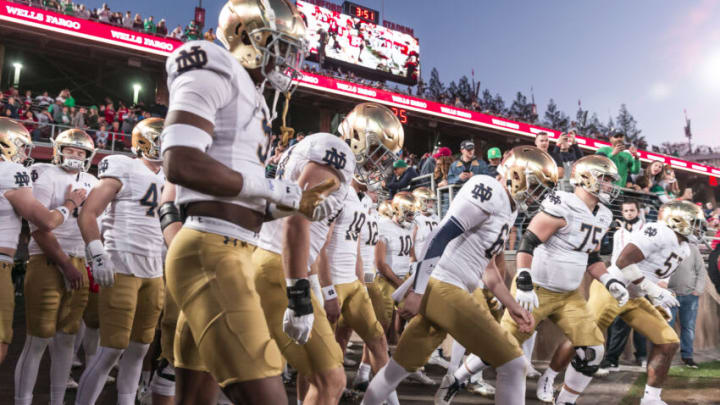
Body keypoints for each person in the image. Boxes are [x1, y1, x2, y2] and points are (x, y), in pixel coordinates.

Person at [160, 1, 331, 403]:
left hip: (232, 249)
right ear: (246, 35)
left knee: (194, 398)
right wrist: (270, 189)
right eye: (280, 45)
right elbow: (180, 161)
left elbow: (241, 194)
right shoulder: (211, 62)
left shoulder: (251, 91)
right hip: (210, 251)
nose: (287, 58)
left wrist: (289, 205)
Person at [363, 146, 557, 405]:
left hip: (449, 287)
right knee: (513, 364)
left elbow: (488, 271)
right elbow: (440, 235)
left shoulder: (509, 208)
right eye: (536, 187)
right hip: (444, 285)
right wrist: (417, 291)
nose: (536, 196)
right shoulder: (488, 188)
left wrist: (512, 307)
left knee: (396, 369)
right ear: (518, 176)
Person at [254, 103, 402, 404]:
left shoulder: (328, 156)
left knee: (310, 370)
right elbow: (297, 216)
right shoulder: (335, 153)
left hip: (281, 263)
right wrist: (300, 292)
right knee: (331, 378)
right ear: (359, 137)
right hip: (279, 266)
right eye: (376, 153)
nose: (376, 164)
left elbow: (286, 212)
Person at [492, 155, 628, 405]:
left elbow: (592, 256)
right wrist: (523, 279)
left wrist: (609, 280)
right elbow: (529, 241)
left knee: (592, 351)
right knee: (503, 350)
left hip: (568, 294)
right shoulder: (563, 202)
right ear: (586, 178)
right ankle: (458, 378)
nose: (610, 185)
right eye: (605, 179)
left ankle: (565, 401)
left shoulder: (605, 215)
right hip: (537, 287)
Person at [543, 201, 702, 405]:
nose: (699, 228)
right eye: (694, 222)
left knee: (668, 342)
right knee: (582, 342)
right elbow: (623, 261)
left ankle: (651, 399)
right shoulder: (659, 231)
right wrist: (654, 291)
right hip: (612, 290)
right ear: (677, 220)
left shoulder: (685, 248)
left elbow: (651, 274)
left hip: (635, 297)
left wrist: (656, 299)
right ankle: (554, 383)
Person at [74, 119, 166, 405]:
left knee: (140, 349)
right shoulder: (124, 166)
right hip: (122, 265)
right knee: (111, 349)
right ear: (147, 141)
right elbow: (88, 213)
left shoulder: (171, 178)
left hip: (154, 270)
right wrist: (98, 254)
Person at [14, 129, 97, 405]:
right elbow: (39, 228)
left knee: (67, 341)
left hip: (80, 260)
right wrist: (66, 264)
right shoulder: (44, 173)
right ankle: (22, 400)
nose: (75, 156)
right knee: (37, 340)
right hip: (48, 260)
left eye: (81, 152)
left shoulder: (91, 181)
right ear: (58, 150)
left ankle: (57, 401)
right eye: (70, 150)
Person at [0, 119, 87, 367]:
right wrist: (70, 204)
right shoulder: (10, 172)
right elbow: (47, 222)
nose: (25, 154)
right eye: (22, 146)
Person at [318, 178, 399, 405]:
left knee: (378, 340)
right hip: (330, 280)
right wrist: (327, 289)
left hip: (353, 281)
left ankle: (388, 401)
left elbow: (357, 247)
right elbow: (320, 244)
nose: (375, 172)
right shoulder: (335, 191)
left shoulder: (360, 199)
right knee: (323, 353)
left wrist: (361, 283)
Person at [595, 200, 648, 375]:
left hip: (642, 281)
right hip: (622, 282)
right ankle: (612, 360)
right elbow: (616, 257)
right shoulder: (619, 234)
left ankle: (642, 356)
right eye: (625, 211)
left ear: (638, 211)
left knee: (641, 322)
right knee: (617, 322)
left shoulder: (648, 230)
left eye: (632, 210)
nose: (629, 213)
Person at [669, 242, 706, 368]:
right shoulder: (666, 246)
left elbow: (701, 270)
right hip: (669, 295)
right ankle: (664, 355)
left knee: (688, 327)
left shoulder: (693, 249)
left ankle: (687, 356)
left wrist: (698, 289)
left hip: (690, 295)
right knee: (667, 326)